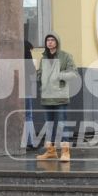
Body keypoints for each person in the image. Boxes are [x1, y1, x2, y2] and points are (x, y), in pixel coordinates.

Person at [35, 34, 77, 162]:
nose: (50, 42)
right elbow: (40, 73)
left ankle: (65, 152)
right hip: (47, 97)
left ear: (57, 42)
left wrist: (58, 75)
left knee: (62, 125)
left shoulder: (66, 56)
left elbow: (73, 73)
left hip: (60, 97)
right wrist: (40, 77)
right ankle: (51, 151)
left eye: (52, 40)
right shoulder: (44, 58)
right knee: (49, 125)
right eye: (48, 40)